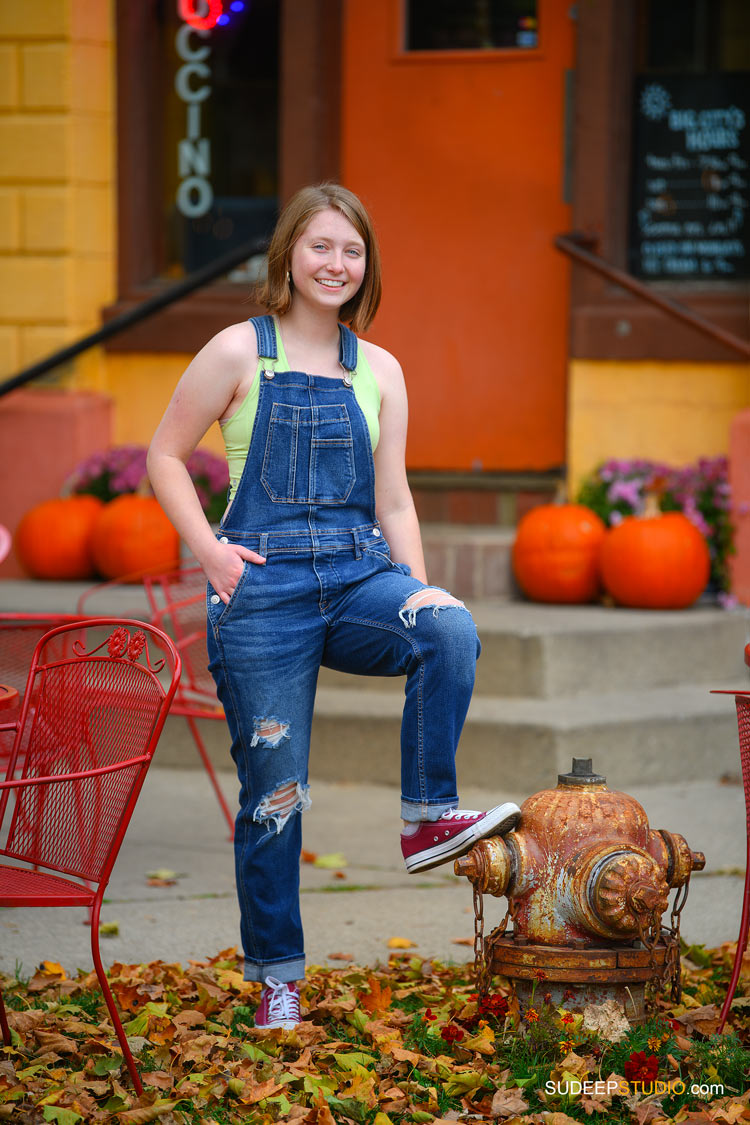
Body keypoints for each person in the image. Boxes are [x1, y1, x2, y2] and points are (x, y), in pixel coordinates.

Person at [148, 183, 520, 1030]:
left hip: (358, 575)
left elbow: (393, 502)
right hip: (263, 590)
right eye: (321, 246)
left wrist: (419, 582)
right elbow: (164, 455)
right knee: (277, 795)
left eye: (351, 251)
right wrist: (210, 553)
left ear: (366, 267)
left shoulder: (379, 368)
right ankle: (278, 975)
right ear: (288, 254)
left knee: (450, 627)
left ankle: (428, 816)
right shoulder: (238, 351)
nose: (336, 264)